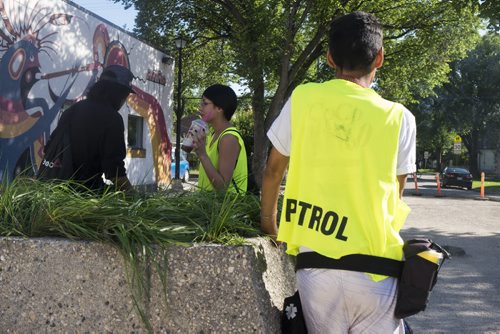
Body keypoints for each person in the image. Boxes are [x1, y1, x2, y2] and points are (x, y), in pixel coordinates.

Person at [260, 11, 416, 333]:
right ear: (380, 57)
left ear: (330, 58)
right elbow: (395, 193)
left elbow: (273, 170)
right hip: (378, 270)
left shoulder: (303, 98)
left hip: (315, 269)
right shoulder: (400, 118)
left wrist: (270, 226)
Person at [42, 65, 135, 192]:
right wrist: (137, 198)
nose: (124, 101)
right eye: (125, 96)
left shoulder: (72, 110)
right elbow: (114, 172)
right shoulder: (112, 119)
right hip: (84, 196)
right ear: (118, 93)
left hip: (53, 188)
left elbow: (48, 148)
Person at [192, 84, 248, 193]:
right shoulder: (213, 135)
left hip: (226, 208)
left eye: (205, 103)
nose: (200, 107)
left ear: (219, 108)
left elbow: (222, 187)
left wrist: (202, 154)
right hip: (209, 207)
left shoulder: (228, 138)